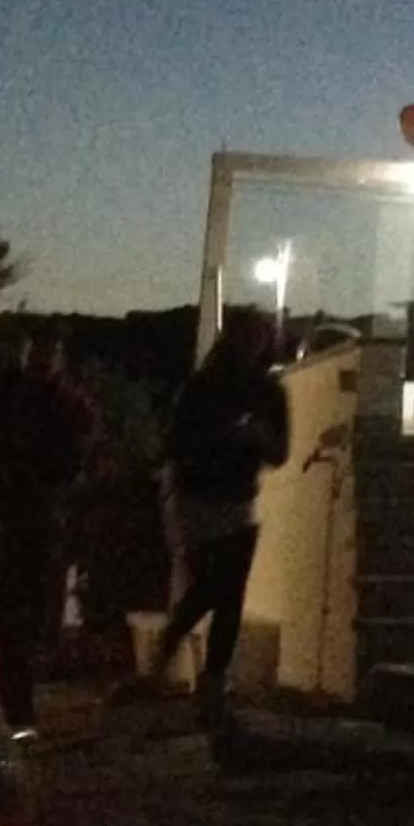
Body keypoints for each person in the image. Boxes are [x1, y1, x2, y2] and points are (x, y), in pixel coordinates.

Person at [0, 329, 99, 731]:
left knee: (20, 619)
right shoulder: (3, 402)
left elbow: (77, 457)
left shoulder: (55, 404)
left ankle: (8, 710)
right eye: (39, 354)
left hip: (28, 521)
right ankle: (9, 711)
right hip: (7, 521)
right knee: (10, 619)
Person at [148, 311, 289, 733]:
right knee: (212, 585)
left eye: (260, 337)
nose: (253, 345)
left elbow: (279, 452)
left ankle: (210, 683)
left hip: (239, 499)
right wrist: (218, 439)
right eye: (248, 336)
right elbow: (176, 442)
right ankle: (176, 644)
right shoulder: (203, 386)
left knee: (230, 594)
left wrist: (257, 436)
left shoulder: (268, 391)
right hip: (197, 498)